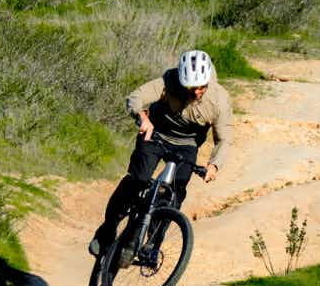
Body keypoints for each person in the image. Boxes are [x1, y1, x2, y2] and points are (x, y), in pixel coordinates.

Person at [88, 49, 233, 257]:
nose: (196, 93)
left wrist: (214, 165)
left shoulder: (220, 99)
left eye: (201, 87)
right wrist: (142, 118)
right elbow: (136, 97)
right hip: (156, 133)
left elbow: (225, 137)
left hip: (187, 144)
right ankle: (107, 229)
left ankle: (153, 242)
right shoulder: (169, 80)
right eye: (191, 88)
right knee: (138, 179)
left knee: (176, 190)